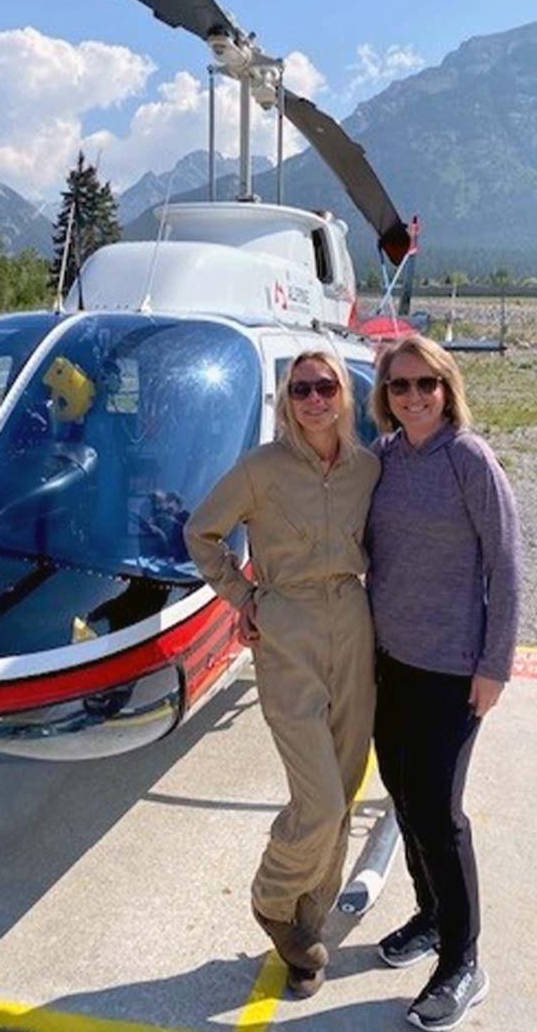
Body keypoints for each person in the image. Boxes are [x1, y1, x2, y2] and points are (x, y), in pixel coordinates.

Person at [185, 349, 379, 999]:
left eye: (326, 387)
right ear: (285, 400)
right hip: (286, 632)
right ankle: (273, 898)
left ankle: (305, 927)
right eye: (301, 389)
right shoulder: (258, 471)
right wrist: (243, 600)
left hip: (353, 627)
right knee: (318, 798)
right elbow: (200, 534)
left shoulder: (367, 470)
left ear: (344, 398)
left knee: (344, 792)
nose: (315, 398)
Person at [365, 334, 521, 1032]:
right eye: (400, 386)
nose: (414, 397)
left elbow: (506, 567)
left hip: (454, 669)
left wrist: (494, 666)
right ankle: (430, 915)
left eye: (425, 383)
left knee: (437, 810)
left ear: (445, 385)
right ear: (385, 397)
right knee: (401, 796)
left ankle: (462, 962)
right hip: (389, 661)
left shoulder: (468, 459)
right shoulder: (382, 461)